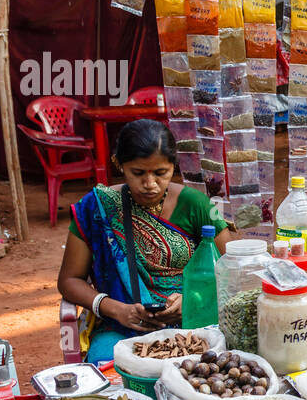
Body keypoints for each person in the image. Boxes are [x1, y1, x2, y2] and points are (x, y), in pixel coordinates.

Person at [58, 119, 232, 363]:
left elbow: (234, 271)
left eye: (161, 173)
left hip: (195, 324)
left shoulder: (197, 205)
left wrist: (192, 300)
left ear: (174, 166)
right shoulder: (97, 208)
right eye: (138, 173)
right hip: (121, 327)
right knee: (109, 370)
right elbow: (69, 280)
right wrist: (116, 309)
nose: (149, 184)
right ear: (119, 164)